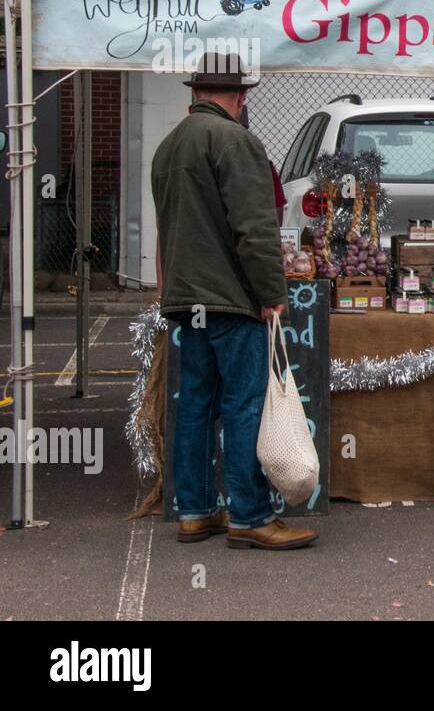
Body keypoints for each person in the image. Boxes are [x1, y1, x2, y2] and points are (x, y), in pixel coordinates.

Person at [152, 52, 317, 551]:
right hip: (229, 298)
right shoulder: (236, 141)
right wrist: (272, 294)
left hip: (186, 297)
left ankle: (196, 512)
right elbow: (255, 230)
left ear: (195, 94)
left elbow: (167, 230)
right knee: (244, 404)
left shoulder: (167, 146)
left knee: (196, 404)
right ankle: (249, 516)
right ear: (240, 98)